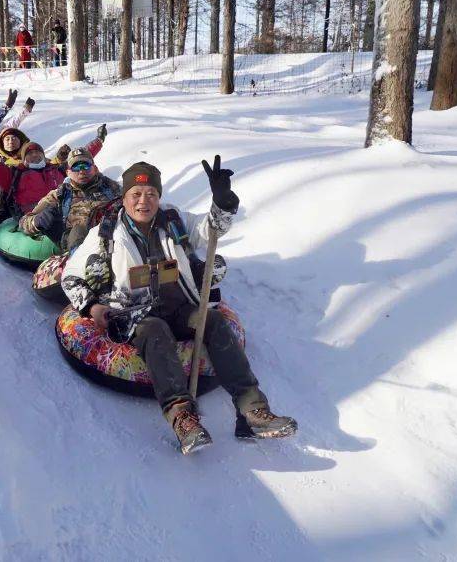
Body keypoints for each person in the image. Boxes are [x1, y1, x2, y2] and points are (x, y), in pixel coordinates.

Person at [61, 158, 297, 455]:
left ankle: (252, 411)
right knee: (155, 331)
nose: (144, 201)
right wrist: (93, 307)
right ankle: (183, 417)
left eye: (151, 194)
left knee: (212, 321)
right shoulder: (106, 234)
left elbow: (211, 229)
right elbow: (70, 275)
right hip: (135, 314)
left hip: (179, 305)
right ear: (124, 198)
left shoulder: (174, 220)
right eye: (136, 194)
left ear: (159, 197)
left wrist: (223, 204)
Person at [18, 140, 117, 251]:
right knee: (78, 230)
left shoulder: (111, 187)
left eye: (86, 165)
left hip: (112, 238)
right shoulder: (59, 195)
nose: (82, 171)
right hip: (77, 244)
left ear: (94, 168)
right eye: (76, 166)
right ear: (68, 172)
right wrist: (36, 221)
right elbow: (23, 223)